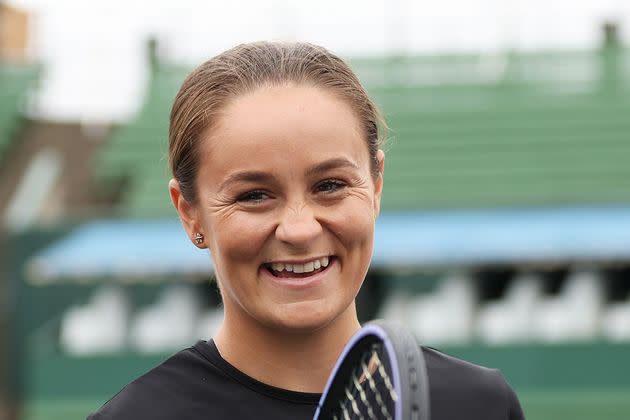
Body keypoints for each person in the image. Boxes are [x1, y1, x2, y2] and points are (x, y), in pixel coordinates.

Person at [88, 41, 524, 420]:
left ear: (375, 187)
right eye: (254, 195)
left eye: (330, 186)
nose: (299, 229)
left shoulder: (479, 405)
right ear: (190, 213)